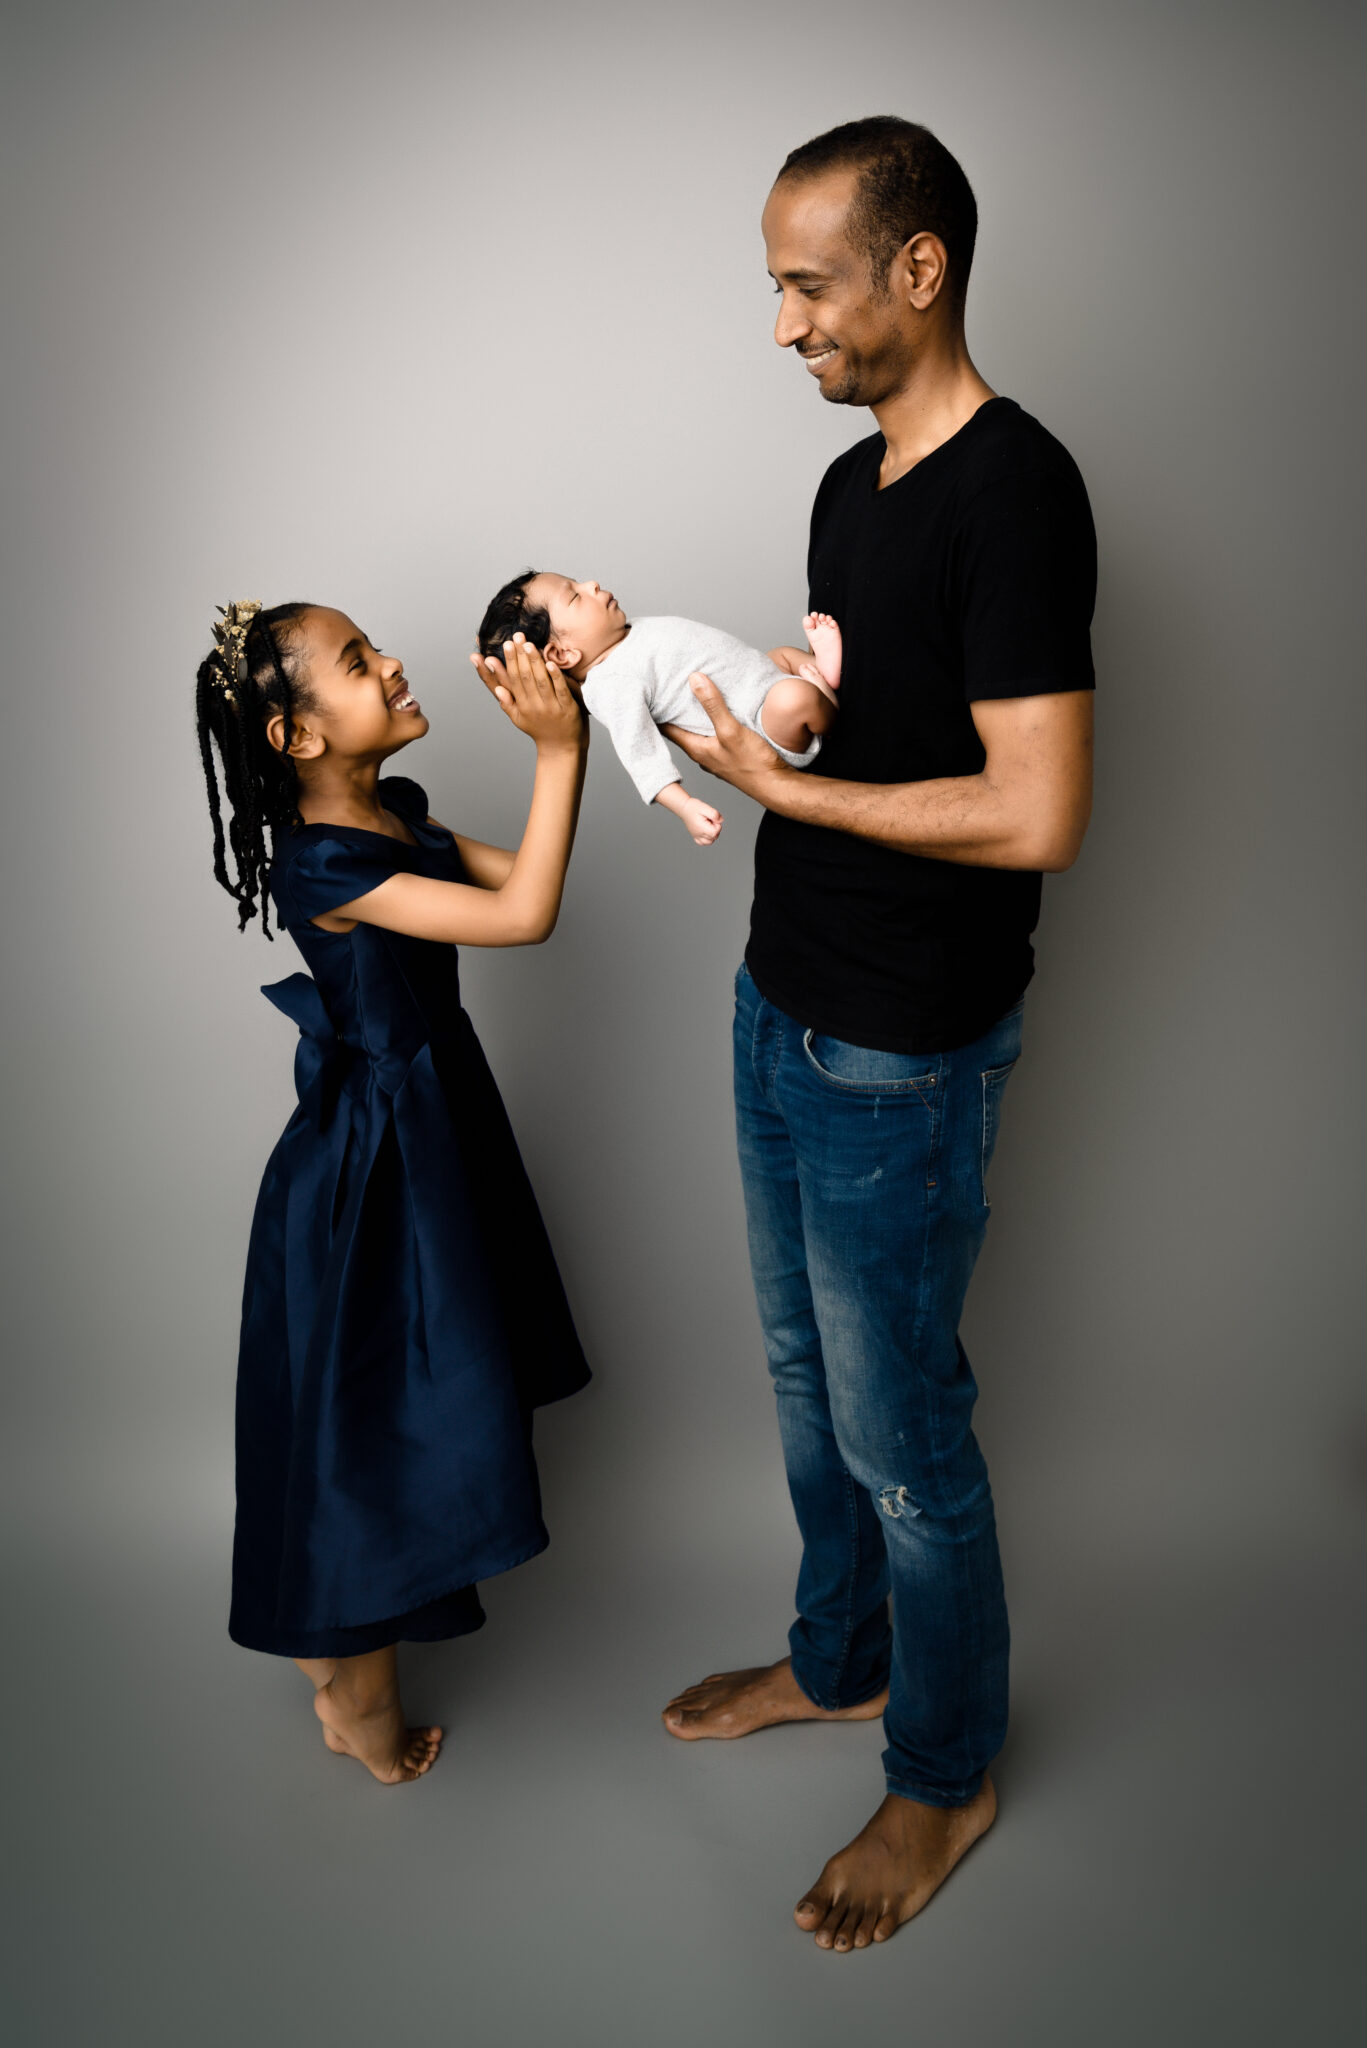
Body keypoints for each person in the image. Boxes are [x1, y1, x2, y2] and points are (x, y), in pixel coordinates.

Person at [659, 117, 1097, 1949]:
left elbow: (1034, 807)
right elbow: (863, 715)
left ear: (918, 270)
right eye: (774, 287)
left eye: (805, 284)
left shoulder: (1021, 490)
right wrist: (738, 710)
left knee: (903, 1430)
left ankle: (943, 1770)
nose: (781, 324)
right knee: (801, 1382)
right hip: (781, 1000)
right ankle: (842, 1662)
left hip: (902, 1055)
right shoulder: (852, 483)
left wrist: (791, 790)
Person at [196, 600, 590, 1785]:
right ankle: (358, 1693)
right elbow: (525, 915)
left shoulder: (398, 817)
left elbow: (521, 875)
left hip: (437, 1130)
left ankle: (339, 1657)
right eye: (360, 663)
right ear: (297, 736)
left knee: (405, 1409)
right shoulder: (324, 860)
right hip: (379, 1169)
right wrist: (556, 750)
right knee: (374, 1421)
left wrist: (582, 728)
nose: (393, 663)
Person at [476, 570, 843, 845]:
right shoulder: (610, 683)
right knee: (793, 699)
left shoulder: (626, 634)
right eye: (575, 596)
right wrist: (684, 806)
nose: (592, 585)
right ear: (562, 654)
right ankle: (826, 697)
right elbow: (640, 753)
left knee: (782, 655)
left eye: (579, 582)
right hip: (762, 725)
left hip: (761, 682)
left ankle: (820, 673)